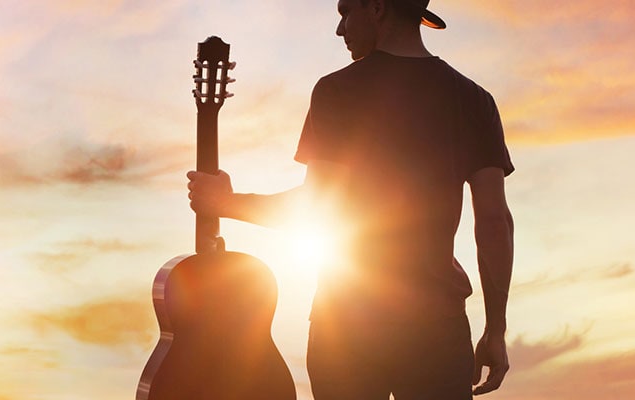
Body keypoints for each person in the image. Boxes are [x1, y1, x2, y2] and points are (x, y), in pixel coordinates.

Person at [186, 0, 514, 398]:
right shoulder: (475, 100)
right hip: (437, 326)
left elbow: (318, 206)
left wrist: (227, 203)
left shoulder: (337, 90)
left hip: (346, 325)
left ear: (377, 8)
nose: (340, 29)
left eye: (345, 12)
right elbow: (495, 223)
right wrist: (495, 330)